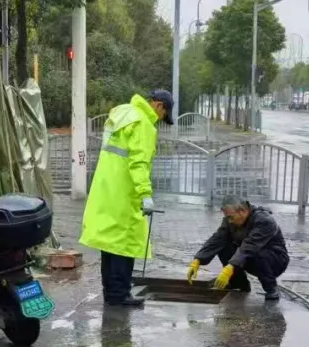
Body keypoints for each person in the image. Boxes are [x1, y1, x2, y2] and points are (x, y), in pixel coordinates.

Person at [79, 89, 174, 308]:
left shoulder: (122, 113)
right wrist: (145, 194)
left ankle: (111, 293)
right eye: (163, 115)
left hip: (106, 189)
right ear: (158, 105)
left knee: (109, 245)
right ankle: (120, 295)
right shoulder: (143, 124)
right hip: (124, 191)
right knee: (125, 245)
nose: (160, 120)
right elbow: (138, 163)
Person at [186, 196, 290, 300]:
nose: (229, 221)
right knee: (224, 247)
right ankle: (239, 283)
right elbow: (217, 239)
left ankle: (271, 288)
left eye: (231, 217)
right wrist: (198, 259)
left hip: (275, 261)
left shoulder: (264, 221)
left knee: (257, 252)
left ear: (242, 211)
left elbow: (251, 245)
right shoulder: (230, 220)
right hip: (249, 257)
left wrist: (230, 267)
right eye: (227, 218)